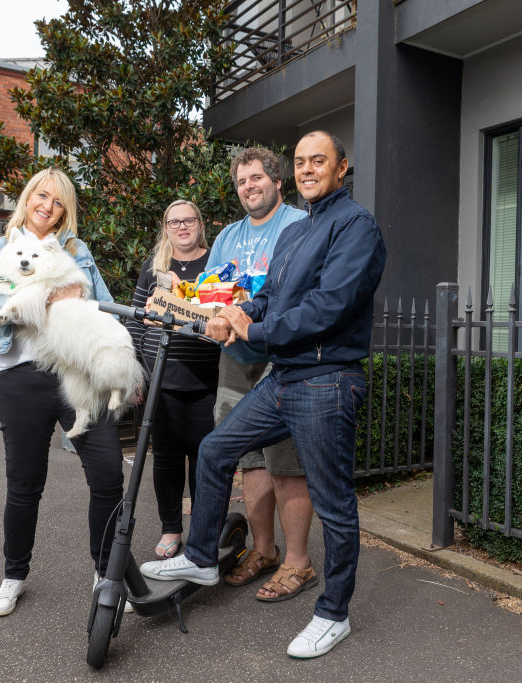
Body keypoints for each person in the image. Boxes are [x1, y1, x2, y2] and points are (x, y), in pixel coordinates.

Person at [141, 131, 386, 659]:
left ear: (342, 168)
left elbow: (330, 307)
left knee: (334, 503)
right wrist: (237, 312)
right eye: (300, 161)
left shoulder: (355, 226)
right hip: (284, 377)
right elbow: (271, 293)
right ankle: (203, 555)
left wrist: (252, 331)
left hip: (326, 379)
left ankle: (333, 613)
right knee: (215, 450)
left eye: (317, 161)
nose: (307, 169)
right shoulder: (299, 233)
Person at [0, 167, 125, 617]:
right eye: (42, 196)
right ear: (28, 197)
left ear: (65, 212)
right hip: (21, 377)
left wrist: (117, 369)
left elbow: (100, 303)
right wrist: (49, 297)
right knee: (24, 484)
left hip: (76, 373)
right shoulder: (0, 249)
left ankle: (105, 572)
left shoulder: (78, 252)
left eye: (59, 202)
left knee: (108, 476)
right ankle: (13, 576)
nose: (48, 206)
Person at [202, 147, 316, 601]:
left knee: (286, 461)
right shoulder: (228, 235)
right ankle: (264, 551)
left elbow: (302, 294)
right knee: (247, 459)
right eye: (242, 181)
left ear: (277, 181)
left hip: (282, 357)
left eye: (257, 178)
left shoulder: (297, 226)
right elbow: (210, 292)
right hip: (234, 358)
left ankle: (298, 561)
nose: (249, 186)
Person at [126, 199, 221, 560]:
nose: (182, 227)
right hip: (160, 378)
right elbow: (135, 320)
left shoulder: (214, 263)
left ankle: (201, 527)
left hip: (205, 377)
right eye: (174, 222)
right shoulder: (154, 268)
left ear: (200, 223)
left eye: (189, 220)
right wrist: (134, 372)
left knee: (203, 456)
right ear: (165, 228)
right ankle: (171, 528)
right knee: (165, 457)